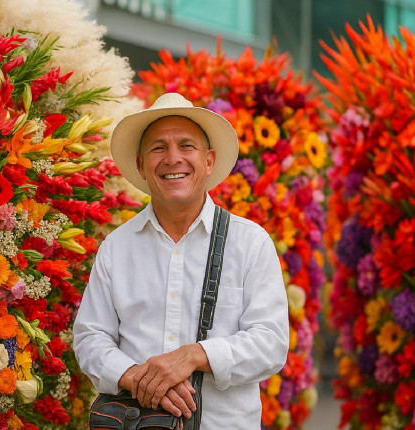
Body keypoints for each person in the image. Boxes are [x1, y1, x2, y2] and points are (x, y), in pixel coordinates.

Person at [73, 93, 289, 428]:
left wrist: (193, 356)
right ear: (142, 165)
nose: (173, 159)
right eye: (158, 147)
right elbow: (90, 338)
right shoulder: (116, 247)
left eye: (186, 146)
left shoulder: (250, 242)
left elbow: (271, 343)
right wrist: (134, 377)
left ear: (208, 161)